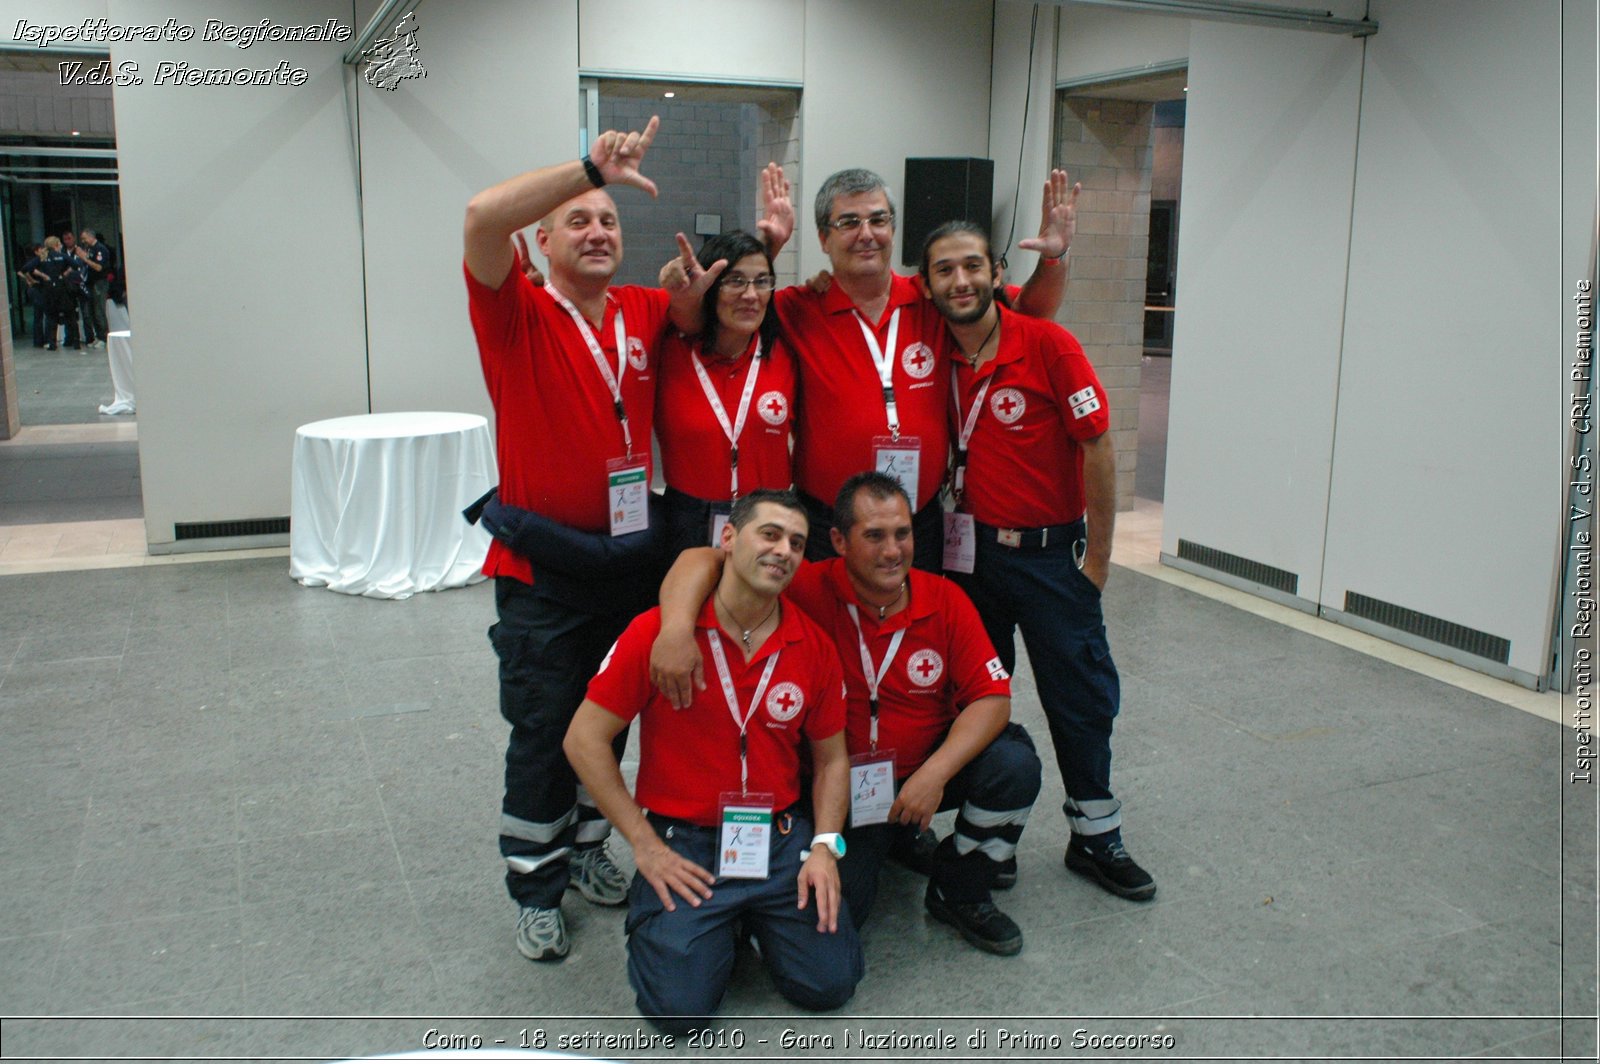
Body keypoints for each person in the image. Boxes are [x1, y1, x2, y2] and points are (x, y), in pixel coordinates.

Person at [462, 114, 710, 961]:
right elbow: (479, 218)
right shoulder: (514, 314)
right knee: (542, 727)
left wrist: (761, 246)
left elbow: (709, 308)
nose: (598, 229)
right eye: (580, 218)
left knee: (607, 721)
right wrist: (585, 170)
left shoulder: (643, 311)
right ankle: (535, 880)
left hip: (628, 562)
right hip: (544, 569)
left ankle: (586, 850)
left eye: (607, 219)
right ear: (545, 236)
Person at [650, 472, 1040, 955]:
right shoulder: (803, 588)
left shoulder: (945, 600)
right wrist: (675, 628)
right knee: (831, 922)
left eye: (902, 533)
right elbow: (701, 560)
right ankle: (889, 839)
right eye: (873, 536)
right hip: (841, 789)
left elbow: (993, 699)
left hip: (921, 772)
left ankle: (958, 887)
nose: (893, 551)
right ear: (837, 540)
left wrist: (934, 774)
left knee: (1014, 764)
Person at [564, 489, 861, 1032]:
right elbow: (583, 739)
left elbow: (833, 758)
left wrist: (824, 847)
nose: (784, 551)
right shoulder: (659, 635)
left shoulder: (812, 646)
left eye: (796, 543)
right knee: (679, 1013)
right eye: (769, 534)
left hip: (780, 841)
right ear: (727, 538)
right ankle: (702, 927)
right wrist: (643, 844)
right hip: (688, 845)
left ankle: (741, 922)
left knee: (829, 985)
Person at [920, 220, 1155, 902]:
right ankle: (992, 830)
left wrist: (1099, 565)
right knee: (974, 699)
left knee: (1079, 700)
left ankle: (1095, 832)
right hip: (970, 562)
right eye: (944, 270)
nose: (960, 281)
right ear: (929, 284)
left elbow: (1099, 447)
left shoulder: (1048, 344)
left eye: (972, 266)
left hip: (1053, 560)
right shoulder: (933, 347)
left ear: (998, 275)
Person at [762, 167, 1078, 571]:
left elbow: (1031, 313)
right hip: (828, 523)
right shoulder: (798, 308)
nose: (866, 233)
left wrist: (1054, 259)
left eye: (878, 220)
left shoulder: (931, 297)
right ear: (824, 238)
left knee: (915, 629)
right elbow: (725, 309)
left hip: (918, 521)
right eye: (848, 222)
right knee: (830, 632)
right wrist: (767, 248)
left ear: (893, 229)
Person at [654, 227, 797, 557]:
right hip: (686, 520)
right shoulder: (667, 349)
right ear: (710, 287)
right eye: (735, 280)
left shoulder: (786, 351)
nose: (751, 295)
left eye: (762, 281)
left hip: (770, 517)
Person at [36, 236, 79, 350]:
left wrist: (43, 276)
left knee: (51, 317)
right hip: (62, 289)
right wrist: (65, 273)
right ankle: (76, 342)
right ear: (56, 245)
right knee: (70, 316)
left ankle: (52, 343)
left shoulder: (43, 257)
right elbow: (76, 264)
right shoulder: (62, 256)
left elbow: (28, 268)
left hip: (50, 290)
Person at [76, 229, 113, 346]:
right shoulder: (90, 249)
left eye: (85, 238)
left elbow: (99, 267)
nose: (83, 241)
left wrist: (85, 259)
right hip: (91, 283)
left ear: (91, 237)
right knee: (92, 310)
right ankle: (99, 335)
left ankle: (104, 337)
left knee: (99, 310)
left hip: (100, 282)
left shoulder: (100, 249)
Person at [17, 243, 48, 347]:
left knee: (38, 315)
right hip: (36, 288)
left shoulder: (39, 261)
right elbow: (22, 271)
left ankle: (39, 340)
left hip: (36, 288)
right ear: (36, 251)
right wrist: (30, 280)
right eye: (42, 249)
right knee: (39, 314)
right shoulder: (34, 261)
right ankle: (40, 340)